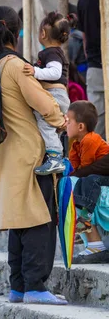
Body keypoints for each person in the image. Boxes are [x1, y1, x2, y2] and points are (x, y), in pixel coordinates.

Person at [0, 6, 67, 304]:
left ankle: (19, 287)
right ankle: (37, 287)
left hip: (4, 152)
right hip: (30, 151)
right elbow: (44, 104)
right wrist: (60, 119)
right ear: (17, 32)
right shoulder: (14, 65)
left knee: (18, 220)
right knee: (39, 218)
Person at [23, 12, 71, 176]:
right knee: (49, 126)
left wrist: (35, 71)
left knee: (44, 121)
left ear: (43, 33)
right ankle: (55, 154)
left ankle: (55, 158)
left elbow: (55, 73)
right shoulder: (55, 52)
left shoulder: (50, 53)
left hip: (55, 95)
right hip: (59, 96)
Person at [66, 101, 109, 237]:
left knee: (88, 180)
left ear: (80, 126)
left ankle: (85, 219)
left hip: (103, 175)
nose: (65, 125)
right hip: (96, 174)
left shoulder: (90, 140)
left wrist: (74, 174)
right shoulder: (76, 145)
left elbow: (86, 167)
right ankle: (83, 229)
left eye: (68, 122)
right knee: (80, 179)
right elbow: (74, 167)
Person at [77, 0, 108, 138]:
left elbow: (85, 36)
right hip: (97, 65)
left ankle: (98, 164)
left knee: (98, 122)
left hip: (95, 67)